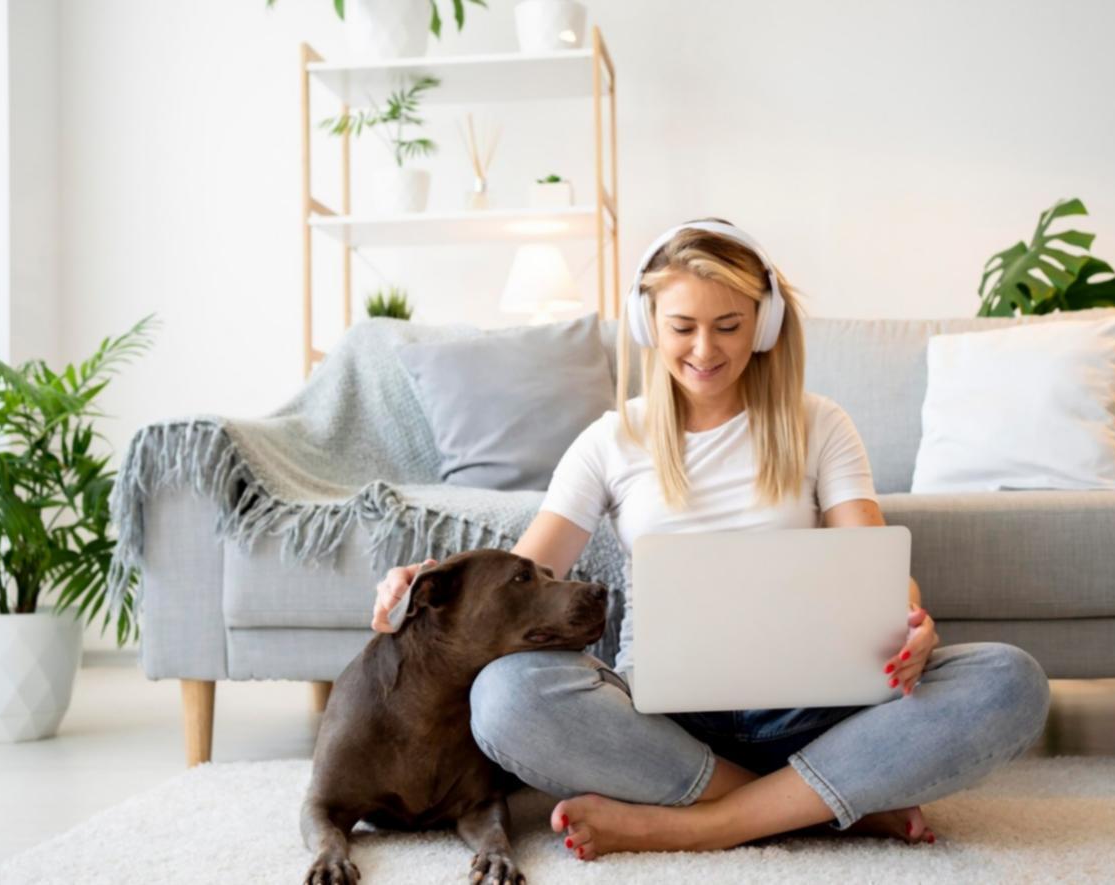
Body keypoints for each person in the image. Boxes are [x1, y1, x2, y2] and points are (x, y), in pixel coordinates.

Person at [371, 218, 1051, 861]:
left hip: (811, 710)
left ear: (764, 323)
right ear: (649, 324)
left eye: (729, 326)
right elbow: (523, 577)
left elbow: (872, 563)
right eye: (683, 327)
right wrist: (428, 581)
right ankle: (818, 803)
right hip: (662, 724)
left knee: (1007, 680)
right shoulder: (611, 440)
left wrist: (910, 619)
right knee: (505, 696)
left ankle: (704, 824)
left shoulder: (821, 424)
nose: (705, 350)